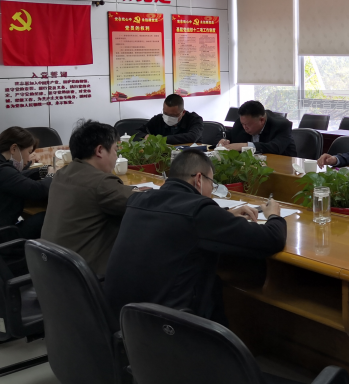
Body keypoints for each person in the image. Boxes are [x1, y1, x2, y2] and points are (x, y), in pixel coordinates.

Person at [104, 150, 287, 320]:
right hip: (166, 324)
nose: (211, 191)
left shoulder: (138, 200)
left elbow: (178, 219)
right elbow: (271, 239)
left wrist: (224, 215)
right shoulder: (199, 212)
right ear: (199, 179)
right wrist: (274, 215)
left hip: (122, 317)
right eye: (212, 183)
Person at [41, 120, 141, 275]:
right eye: (115, 150)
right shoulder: (101, 183)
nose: (116, 156)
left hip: (52, 272)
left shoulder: (62, 174)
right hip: (86, 277)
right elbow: (143, 204)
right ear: (100, 151)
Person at [219, 100, 296, 156]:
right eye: (243, 124)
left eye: (247, 124)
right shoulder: (242, 122)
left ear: (262, 120)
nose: (244, 127)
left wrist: (246, 146)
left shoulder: (282, 125)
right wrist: (224, 140)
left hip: (281, 165)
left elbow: (275, 147)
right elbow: (229, 134)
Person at [135, 94, 203, 144]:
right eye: (165, 113)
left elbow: (192, 137)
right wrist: (145, 136)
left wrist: (160, 139)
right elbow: (136, 132)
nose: (168, 118)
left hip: (188, 154)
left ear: (183, 112)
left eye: (173, 115)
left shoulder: (194, 119)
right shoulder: (158, 119)